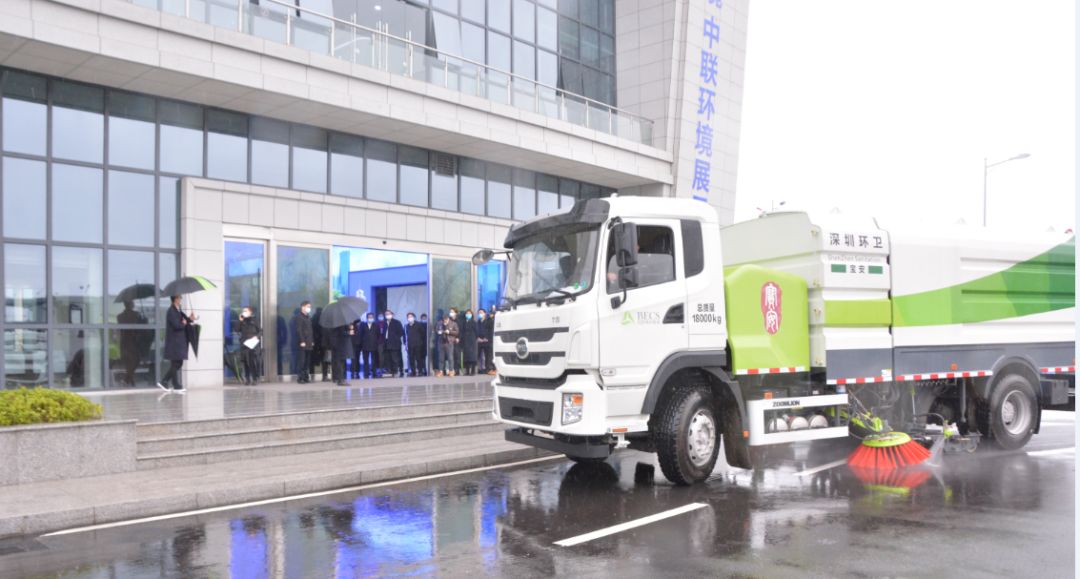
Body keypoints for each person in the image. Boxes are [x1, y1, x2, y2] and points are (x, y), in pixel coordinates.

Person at [158, 295, 196, 392]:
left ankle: (175, 385)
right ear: (175, 299)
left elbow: (184, 320)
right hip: (174, 342)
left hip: (178, 341)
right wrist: (184, 322)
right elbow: (177, 325)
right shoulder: (171, 311)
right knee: (177, 363)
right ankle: (165, 381)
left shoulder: (178, 310)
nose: (181, 299)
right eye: (179, 298)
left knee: (176, 363)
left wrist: (190, 318)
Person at [117, 300, 148, 386]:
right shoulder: (136, 314)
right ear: (130, 304)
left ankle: (129, 380)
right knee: (135, 359)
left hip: (124, 341)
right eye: (132, 302)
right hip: (132, 340)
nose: (134, 304)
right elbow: (141, 324)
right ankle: (128, 379)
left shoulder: (120, 316)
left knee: (129, 362)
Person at [237, 306, 262, 385]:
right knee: (245, 361)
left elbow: (260, 331)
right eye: (243, 311)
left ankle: (255, 378)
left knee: (251, 361)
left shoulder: (254, 320)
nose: (244, 312)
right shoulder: (242, 320)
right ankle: (247, 379)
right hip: (244, 343)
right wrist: (240, 321)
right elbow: (237, 329)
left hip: (252, 343)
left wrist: (256, 336)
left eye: (246, 311)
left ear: (250, 312)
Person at [294, 301, 314, 384]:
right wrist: (302, 341)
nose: (309, 308)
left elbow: (310, 330)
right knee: (301, 361)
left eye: (310, 307)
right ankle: (300, 378)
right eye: (308, 306)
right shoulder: (299, 317)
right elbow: (299, 330)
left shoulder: (308, 317)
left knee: (307, 361)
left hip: (309, 342)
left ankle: (306, 377)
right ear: (303, 307)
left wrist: (312, 341)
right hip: (302, 343)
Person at [383, 310, 405, 377]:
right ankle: (389, 370)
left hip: (395, 343)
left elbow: (401, 332)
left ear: (392, 314)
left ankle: (396, 371)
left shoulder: (397, 322)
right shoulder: (384, 323)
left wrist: (395, 337)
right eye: (386, 314)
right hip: (386, 343)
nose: (387, 315)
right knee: (387, 358)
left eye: (389, 314)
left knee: (395, 358)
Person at [436, 312, 459, 377]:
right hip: (441, 343)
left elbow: (457, 332)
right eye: (444, 319)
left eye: (446, 319)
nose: (445, 321)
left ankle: (451, 371)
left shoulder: (453, 323)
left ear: (448, 318)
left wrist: (449, 332)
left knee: (450, 357)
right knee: (441, 358)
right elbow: (436, 330)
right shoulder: (439, 323)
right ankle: (441, 371)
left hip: (449, 342)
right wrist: (439, 331)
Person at [359, 313, 379, 379]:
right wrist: (361, 345)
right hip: (365, 345)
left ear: (373, 318)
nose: (370, 318)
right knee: (365, 361)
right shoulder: (363, 325)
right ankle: (366, 373)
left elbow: (378, 335)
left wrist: (377, 343)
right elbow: (360, 335)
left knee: (374, 360)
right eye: (369, 317)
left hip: (374, 345)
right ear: (367, 318)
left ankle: (374, 373)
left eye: (371, 317)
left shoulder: (376, 325)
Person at [406, 313, 426, 377]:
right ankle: (413, 372)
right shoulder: (407, 326)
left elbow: (423, 334)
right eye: (408, 317)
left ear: (414, 317)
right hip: (410, 345)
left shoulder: (418, 324)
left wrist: (420, 342)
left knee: (418, 359)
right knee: (411, 359)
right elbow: (407, 335)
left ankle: (420, 371)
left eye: (411, 316)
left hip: (418, 344)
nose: (410, 318)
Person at [477, 308, 495, 375]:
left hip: (487, 341)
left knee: (487, 356)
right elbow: (476, 331)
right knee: (478, 355)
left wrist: (487, 338)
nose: (480, 314)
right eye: (479, 313)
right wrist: (477, 338)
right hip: (479, 341)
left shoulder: (488, 321)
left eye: (481, 312)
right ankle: (479, 369)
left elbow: (491, 330)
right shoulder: (478, 322)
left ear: (485, 313)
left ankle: (488, 369)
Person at [448, 307, 461, 375]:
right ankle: (451, 370)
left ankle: (457, 370)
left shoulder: (459, 321)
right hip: (449, 340)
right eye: (450, 312)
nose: (451, 313)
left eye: (452, 312)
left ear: (456, 313)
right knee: (450, 356)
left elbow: (460, 330)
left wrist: (458, 338)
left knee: (457, 355)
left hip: (457, 341)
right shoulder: (448, 320)